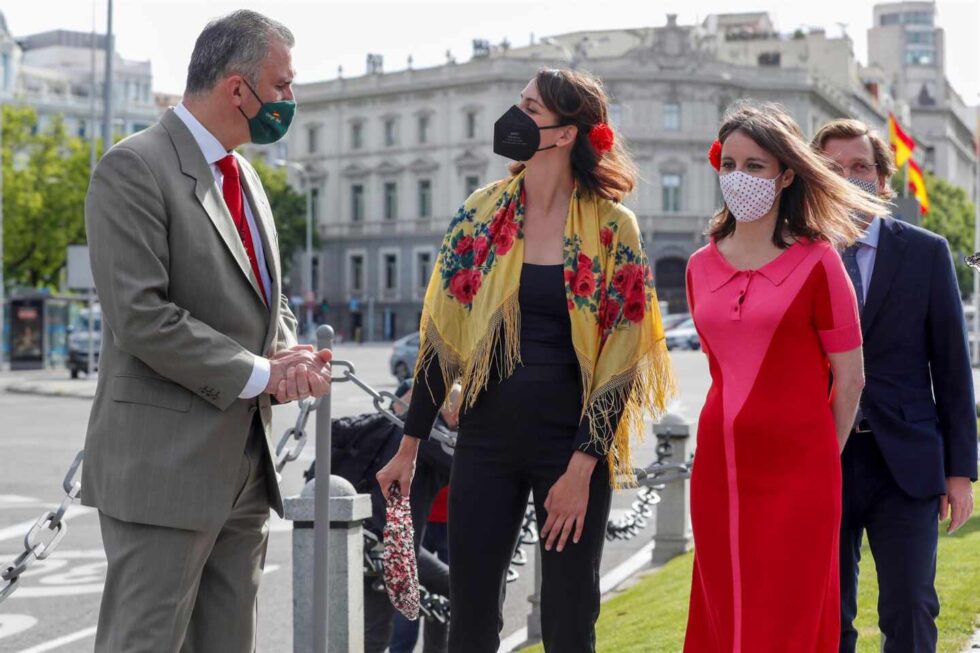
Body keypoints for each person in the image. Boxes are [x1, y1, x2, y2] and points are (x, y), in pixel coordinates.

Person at [377, 68, 676, 653]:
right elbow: (443, 339)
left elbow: (621, 357)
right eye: (519, 103)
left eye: (531, 108)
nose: (515, 117)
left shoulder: (616, 227)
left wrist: (581, 471)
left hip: (571, 445)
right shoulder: (481, 213)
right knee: (470, 619)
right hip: (486, 439)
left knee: (568, 622)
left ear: (566, 134)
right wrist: (409, 449)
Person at [82, 10, 332, 652]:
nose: (290, 101)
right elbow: (142, 316)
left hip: (245, 470)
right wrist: (259, 374)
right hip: (162, 472)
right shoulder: (133, 167)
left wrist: (286, 352)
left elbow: (263, 299)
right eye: (283, 85)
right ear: (237, 89)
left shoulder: (245, 175)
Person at [683, 102, 886, 652]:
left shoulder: (820, 260)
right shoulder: (698, 265)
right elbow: (717, 368)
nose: (738, 177)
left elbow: (851, 380)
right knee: (724, 609)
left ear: (787, 174)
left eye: (755, 166)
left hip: (803, 472)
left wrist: (821, 455)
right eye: (729, 163)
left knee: (791, 614)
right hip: (719, 470)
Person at [813, 118, 978, 653]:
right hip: (821, 460)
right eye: (834, 168)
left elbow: (952, 368)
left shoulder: (926, 253)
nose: (849, 177)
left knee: (910, 607)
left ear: (884, 180)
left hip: (906, 464)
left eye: (860, 166)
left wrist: (960, 473)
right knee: (826, 614)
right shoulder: (798, 256)